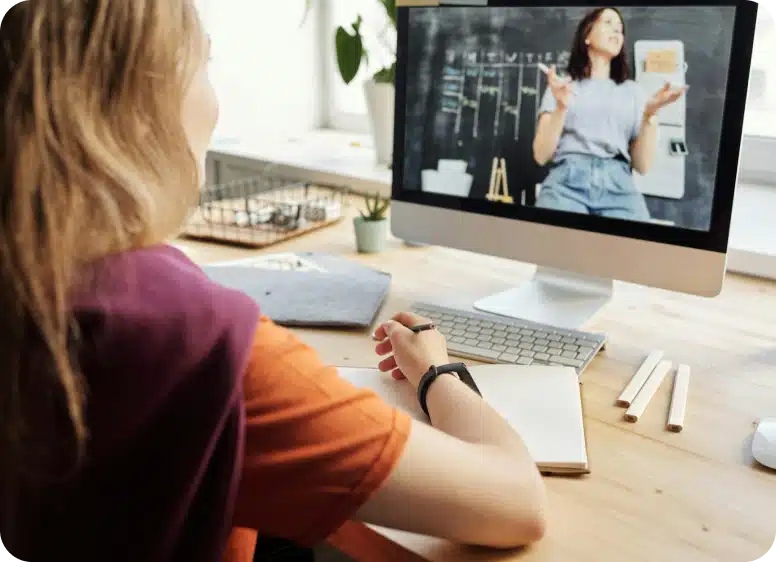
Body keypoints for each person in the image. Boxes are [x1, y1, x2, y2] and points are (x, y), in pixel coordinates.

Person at [0, 3, 547, 562]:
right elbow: (517, 504)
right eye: (203, 64)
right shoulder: (194, 340)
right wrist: (436, 372)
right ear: (136, 101)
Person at [532, 7, 687, 221]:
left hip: (619, 186)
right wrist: (560, 106)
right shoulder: (562, 87)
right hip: (566, 182)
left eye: (620, 29)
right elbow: (541, 155)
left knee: (638, 250)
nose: (616, 31)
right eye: (608, 23)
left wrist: (650, 114)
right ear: (587, 35)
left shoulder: (633, 91)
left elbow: (642, 166)